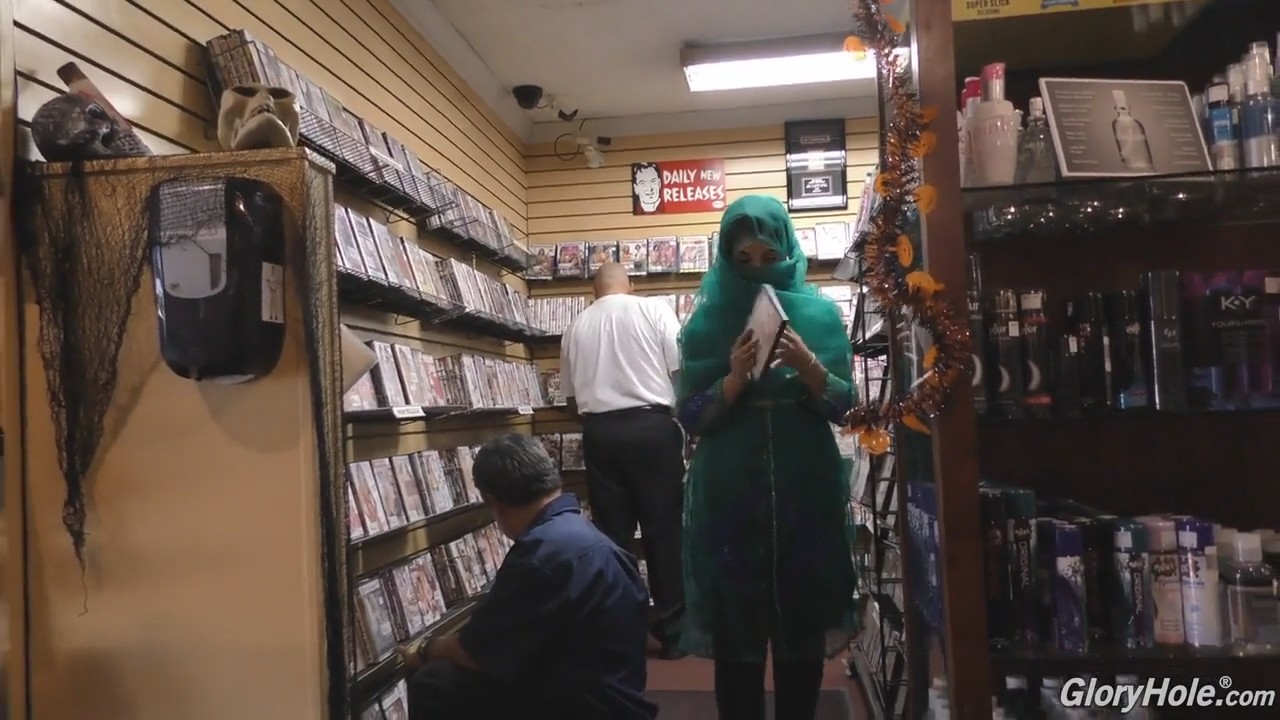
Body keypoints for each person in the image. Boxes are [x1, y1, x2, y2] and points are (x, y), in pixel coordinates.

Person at [676, 195, 859, 719]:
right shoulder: (706, 324)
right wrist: (733, 379)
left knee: (802, 625)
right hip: (729, 495)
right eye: (743, 258)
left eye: (768, 255)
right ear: (725, 257)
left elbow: (846, 408)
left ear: (787, 251)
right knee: (735, 635)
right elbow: (691, 416)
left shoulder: (818, 316)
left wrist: (807, 365)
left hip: (806, 489)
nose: (758, 268)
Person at [400, 433, 656, 720]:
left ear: (495, 502)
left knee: (434, 682)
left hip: (581, 708)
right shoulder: (589, 537)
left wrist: (425, 649)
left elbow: (475, 652)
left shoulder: (539, 554)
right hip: (618, 701)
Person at [559, 261, 687, 659]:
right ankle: (674, 633)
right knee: (664, 532)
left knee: (613, 536)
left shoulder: (576, 326)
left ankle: (622, 632)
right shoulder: (655, 311)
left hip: (601, 432)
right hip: (653, 429)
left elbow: (570, 400)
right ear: (630, 286)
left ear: (593, 291)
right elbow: (680, 372)